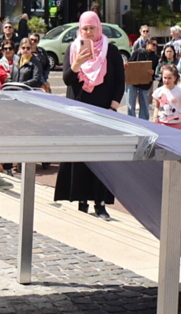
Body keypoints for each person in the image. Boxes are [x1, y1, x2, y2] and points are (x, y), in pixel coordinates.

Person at [54, 12, 125, 219]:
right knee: (81, 156)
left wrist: (113, 107)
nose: (88, 32)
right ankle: (81, 200)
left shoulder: (110, 50)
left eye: (92, 28)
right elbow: (68, 80)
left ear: (99, 28)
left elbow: (120, 81)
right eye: (85, 29)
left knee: (101, 157)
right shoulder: (73, 48)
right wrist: (76, 64)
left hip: (103, 111)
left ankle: (100, 203)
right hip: (78, 111)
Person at [151, 64, 181, 129]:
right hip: (162, 122)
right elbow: (157, 106)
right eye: (165, 78)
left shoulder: (180, 91)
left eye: (169, 78)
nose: (166, 80)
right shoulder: (158, 91)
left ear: (175, 78)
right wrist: (155, 117)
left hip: (176, 123)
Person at [127, 37, 157, 120]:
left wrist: (153, 72)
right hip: (133, 80)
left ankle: (143, 120)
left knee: (144, 103)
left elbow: (156, 71)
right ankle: (131, 119)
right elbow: (130, 63)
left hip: (146, 82)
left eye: (156, 45)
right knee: (131, 102)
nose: (155, 46)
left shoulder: (155, 57)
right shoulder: (138, 52)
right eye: (153, 44)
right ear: (147, 44)